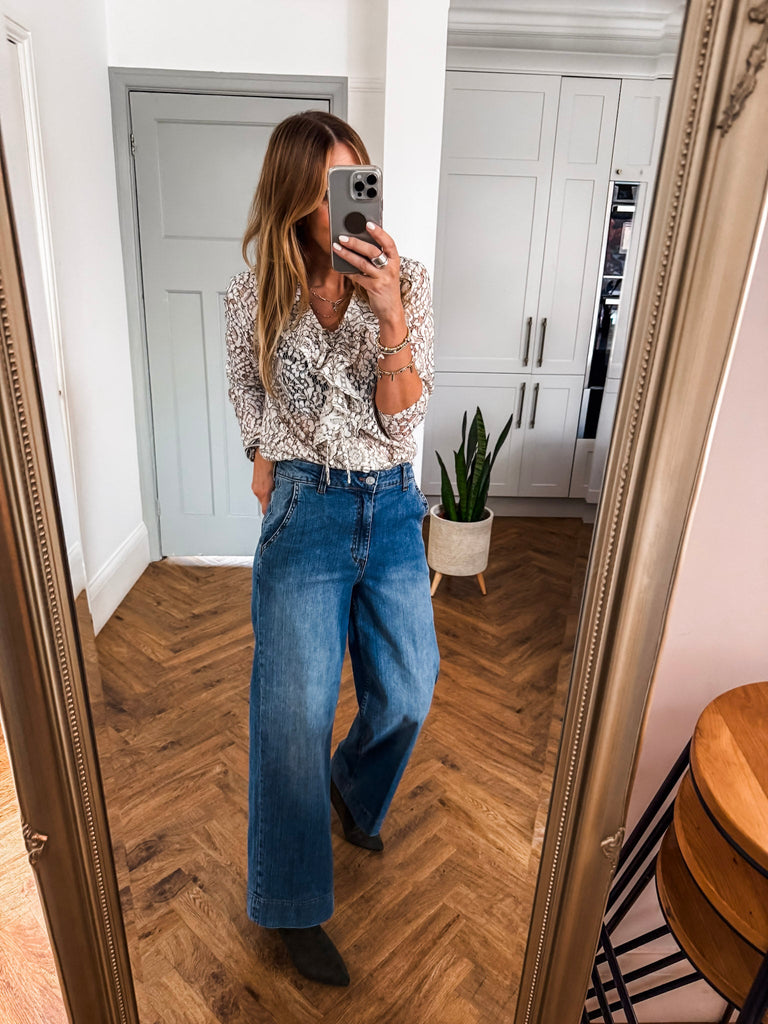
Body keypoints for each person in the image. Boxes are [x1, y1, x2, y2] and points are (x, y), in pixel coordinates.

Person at [224, 110, 440, 988]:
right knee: (292, 720)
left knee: (410, 688)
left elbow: (404, 419)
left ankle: (352, 786)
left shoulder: (406, 280)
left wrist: (388, 314)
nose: (341, 205)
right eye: (322, 191)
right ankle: (291, 903)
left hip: (389, 506)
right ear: (290, 197)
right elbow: (246, 390)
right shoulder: (253, 293)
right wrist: (262, 461)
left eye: (353, 182)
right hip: (304, 509)